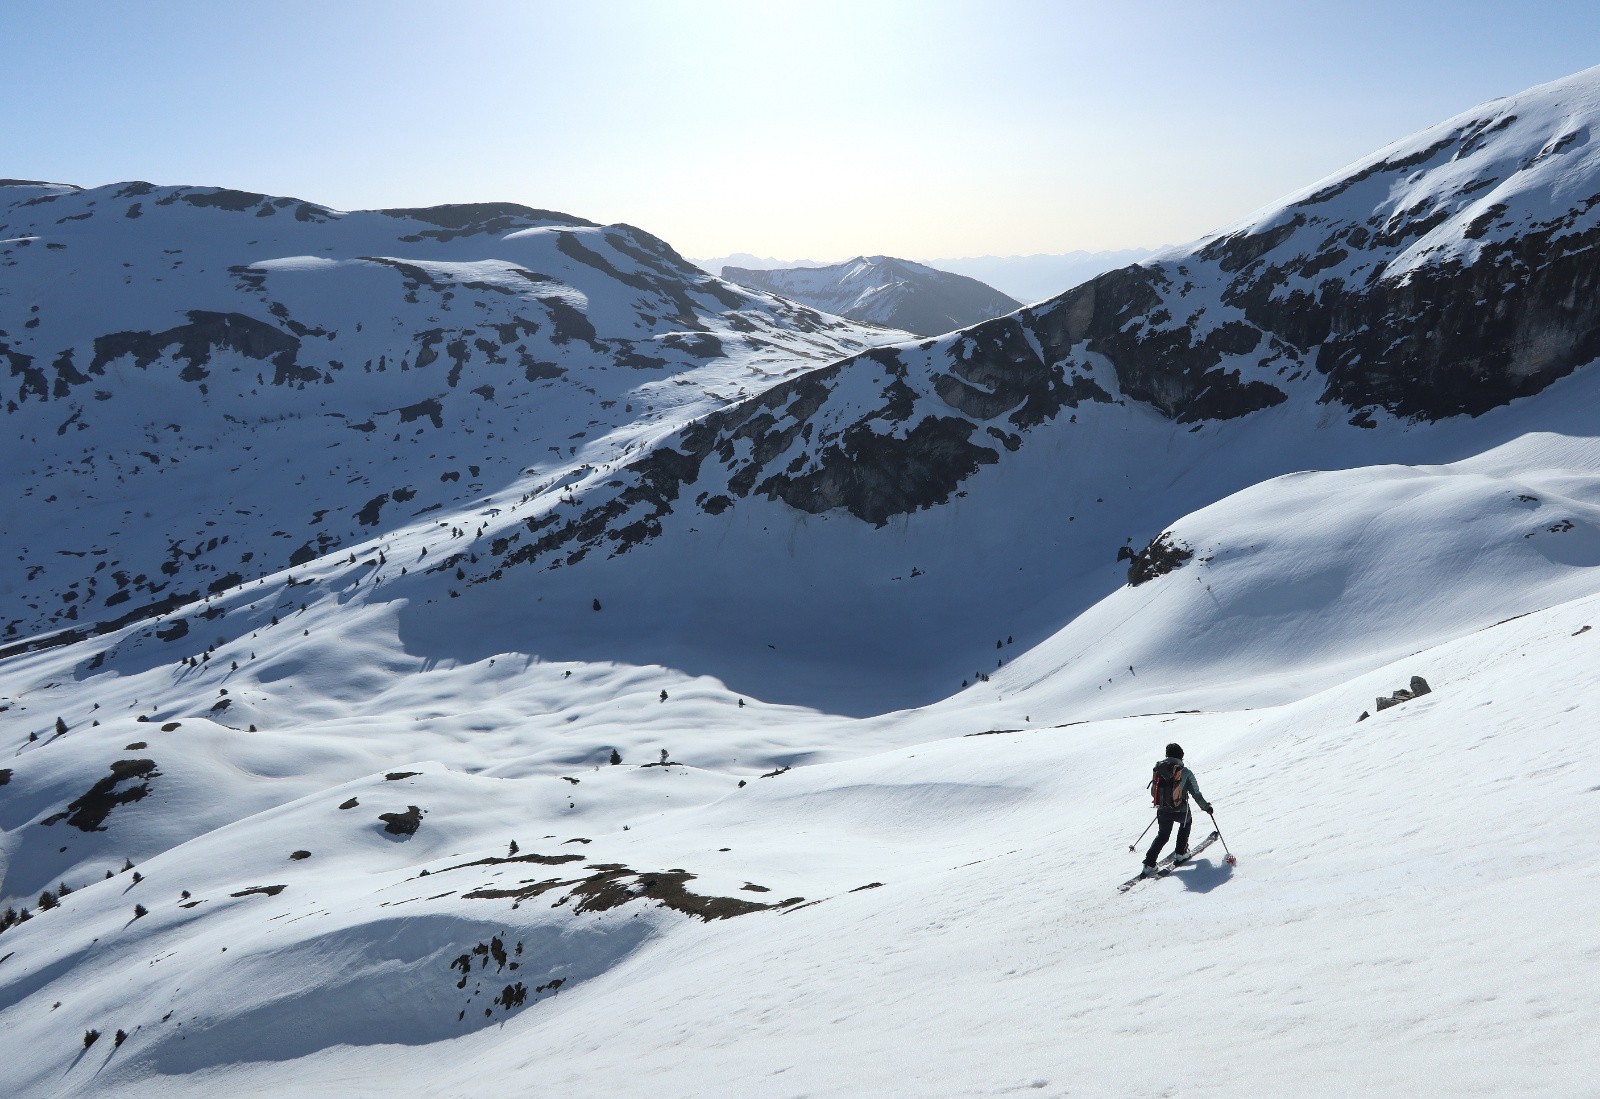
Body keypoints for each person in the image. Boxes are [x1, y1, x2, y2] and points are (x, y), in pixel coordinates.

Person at [1142, 742, 1214, 875]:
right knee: (1186, 823)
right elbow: (1196, 794)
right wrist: (1206, 807)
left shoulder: (1158, 769)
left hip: (1162, 809)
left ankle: (1149, 864)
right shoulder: (1185, 772)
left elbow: (1154, 791)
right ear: (1181, 755)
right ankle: (1181, 852)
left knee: (1162, 835)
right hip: (1181, 810)